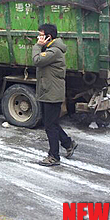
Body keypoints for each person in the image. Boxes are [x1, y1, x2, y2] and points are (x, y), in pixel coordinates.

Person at [32, 23, 77, 166]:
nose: (38, 38)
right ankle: (68, 143)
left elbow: (37, 60)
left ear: (48, 36)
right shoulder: (51, 49)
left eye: (40, 35)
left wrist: (38, 46)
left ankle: (54, 156)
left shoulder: (54, 51)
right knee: (51, 123)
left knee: (50, 126)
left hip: (52, 93)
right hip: (48, 92)